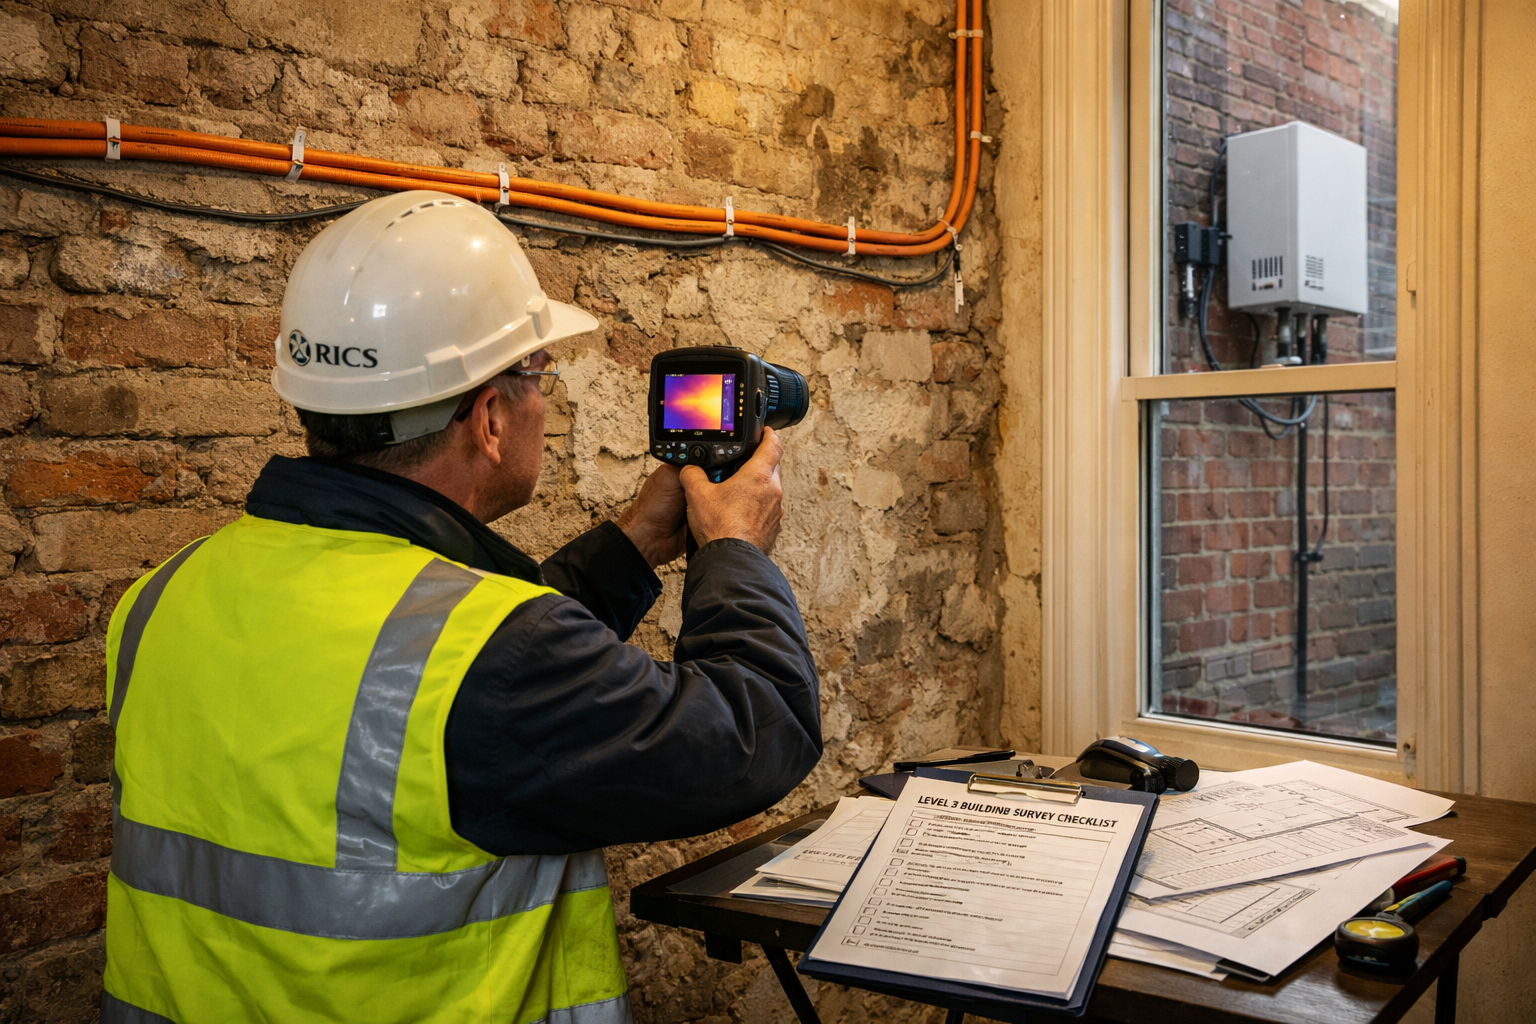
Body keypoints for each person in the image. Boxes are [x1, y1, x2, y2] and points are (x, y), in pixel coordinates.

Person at [101, 191, 821, 1024]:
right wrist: (733, 547)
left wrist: (639, 539)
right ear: (488, 419)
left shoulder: (162, 596)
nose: (543, 402)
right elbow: (752, 731)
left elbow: (450, 678)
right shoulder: (490, 660)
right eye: (538, 375)